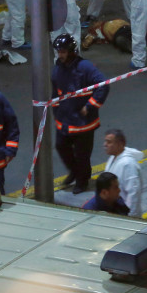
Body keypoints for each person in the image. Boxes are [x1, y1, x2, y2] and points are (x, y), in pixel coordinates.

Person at [51, 33, 109, 194]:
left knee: (82, 155)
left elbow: (103, 85)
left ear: (71, 51)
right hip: (65, 120)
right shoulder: (58, 69)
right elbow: (56, 92)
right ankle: (74, 171)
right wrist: (56, 111)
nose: (60, 55)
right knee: (61, 146)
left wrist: (90, 106)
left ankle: (82, 181)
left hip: (84, 122)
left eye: (62, 51)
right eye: (58, 52)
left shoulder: (85, 67)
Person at [102, 129, 143, 217]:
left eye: (109, 142)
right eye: (105, 141)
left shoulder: (128, 164)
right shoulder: (113, 158)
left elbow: (133, 193)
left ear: (120, 144)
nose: (105, 145)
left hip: (125, 215)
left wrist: (130, 216)